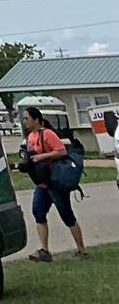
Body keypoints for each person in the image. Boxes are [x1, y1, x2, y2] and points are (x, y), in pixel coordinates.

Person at [20, 104, 87, 261]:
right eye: (24, 119)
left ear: (36, 119)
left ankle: (81, 249)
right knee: (38, 212)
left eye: (27, 118)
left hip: (55, 181)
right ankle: (44, 250)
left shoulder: (48, 134)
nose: (25, 122)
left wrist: (42, 157)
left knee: (66, 215)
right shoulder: (30, 137)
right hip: (41, 182)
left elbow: (62, 151)